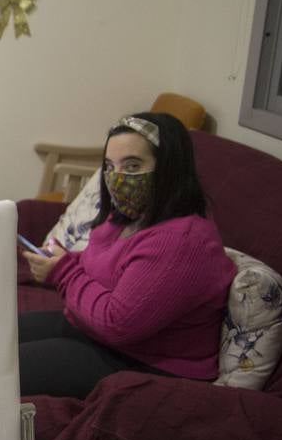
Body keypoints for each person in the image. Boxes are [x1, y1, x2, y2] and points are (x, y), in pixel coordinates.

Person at [19, 112, 235, 398]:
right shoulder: (126, 218)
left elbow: (117, 324)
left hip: (148, 363)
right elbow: (99, 268)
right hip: (97, 333)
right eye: (110, 166)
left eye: (132, 165)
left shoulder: (182, 241)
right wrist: (64, 261)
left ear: (169, 168)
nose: (117, 178)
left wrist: (63, 272)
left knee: (1, 369)